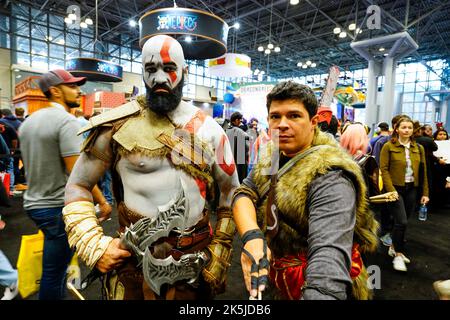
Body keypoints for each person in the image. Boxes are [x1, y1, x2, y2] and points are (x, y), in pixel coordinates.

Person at [62, 35, 239, 300]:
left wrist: (221, 248)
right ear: (142, 72)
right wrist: (94, 245)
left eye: (169, 69)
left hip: (193, 265)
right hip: (133, 266)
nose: (159, 78)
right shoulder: (115, 126)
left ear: (184, 72)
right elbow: (78, 185)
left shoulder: (210, 130)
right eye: (150, 69)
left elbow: (230, 194)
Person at [232, 81, 379, 300]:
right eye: (275, 116)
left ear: (313, 122)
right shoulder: (273, 153)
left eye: (293, 116)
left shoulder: (330, 174)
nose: (282, 124)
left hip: (306, 280)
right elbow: (245, 191)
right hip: (276, 273)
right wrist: (253, 236)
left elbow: (328, 261)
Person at [18, 69, 112, 300]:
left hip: (34, 205)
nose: (78, 91)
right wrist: (103, 201)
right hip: (57, 207)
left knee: (56, 270)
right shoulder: (67, 122)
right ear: (55, 91)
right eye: (71, 86)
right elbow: (78, 174)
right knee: (55, 273)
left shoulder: (29, 123)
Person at [379, 116, 429, 272]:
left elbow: (424, 172)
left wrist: (425, 193)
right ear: (397, 129)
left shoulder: (418, 148)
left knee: (404, 221)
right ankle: (398, 254)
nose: (407, 130)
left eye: (409, 128)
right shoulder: (388, 146)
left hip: (412, 189)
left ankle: (393, 247)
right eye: (404, 127)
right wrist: (391, 189)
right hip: (395, 189)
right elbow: (384, 170)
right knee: (402, 221)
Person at [226, 111, 250, 183]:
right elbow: (246, 149)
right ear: (236, 120)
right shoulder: (239, 132)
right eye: (240, 120)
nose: (241, 123)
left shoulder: (225, 131)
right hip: (239, 165)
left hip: (228, 164)